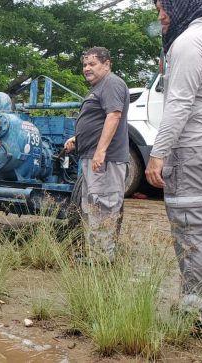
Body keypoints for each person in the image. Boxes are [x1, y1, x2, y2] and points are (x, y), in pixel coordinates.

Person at [145, 0, 202, 338]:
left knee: (194, 231)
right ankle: (201, 302)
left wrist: (159, 152)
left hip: (196, 150)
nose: (161, 16)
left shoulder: (189, 42)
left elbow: (180, 101)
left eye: (163, 6)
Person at [63, 46, 130, 263]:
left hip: (105, 160)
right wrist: (77, 140)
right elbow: (97, 121)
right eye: (84, 64)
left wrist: (101, 151)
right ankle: (96, 255)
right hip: (91, 156)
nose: (87, 68)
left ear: (107, 64)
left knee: (104, 206)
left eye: (92, 64)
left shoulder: (112, 83)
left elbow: (113, 116)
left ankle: (103, 258)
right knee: (93, 207)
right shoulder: (98, 87)